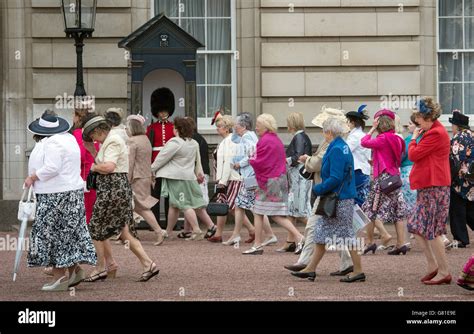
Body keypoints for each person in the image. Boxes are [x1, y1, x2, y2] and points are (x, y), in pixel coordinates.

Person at [82, 114, 160, 282]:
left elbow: (109, 167)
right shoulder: (110, 141)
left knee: (96, 227)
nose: (93, 139)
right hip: (116, 188)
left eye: (93, 135)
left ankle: (100, 268)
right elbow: (106, 161)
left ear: (98, 131)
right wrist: (92, 151)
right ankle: (149, 264)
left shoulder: (113, 140)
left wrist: (94, 167)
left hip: (112, 188)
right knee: (124, 232)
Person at [25, 111, 96, 291]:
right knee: (68, 234)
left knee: (54, 235)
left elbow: (52, 167)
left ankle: (60, 278)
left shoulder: (52, 143)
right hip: (71, 191)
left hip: (55, 194)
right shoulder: (68, 138)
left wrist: (33, 176)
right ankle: (74, 270)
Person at [290, 117, 365, 283]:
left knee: (346, 236)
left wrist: (318, 189)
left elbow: (335, 177)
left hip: (339, 198)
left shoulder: (337, 148)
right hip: (340, 197)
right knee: (322, 234)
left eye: (324, 131)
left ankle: (358, 271)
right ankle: (310, 269)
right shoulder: (339, 146)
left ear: (329, 132)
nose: (323, 134)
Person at [242, 114, 305, 255]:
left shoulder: (265, 141)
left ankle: (300, 237)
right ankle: (258, 244)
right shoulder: (275, 139)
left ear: (266, 126)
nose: (256, 127)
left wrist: (251, 159)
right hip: (277, 180)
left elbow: (259, 162)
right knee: (260, 212)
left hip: (270, 182)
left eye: (258, 124)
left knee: (275, 215)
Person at [407, 97, 452, 285]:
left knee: (433, 231)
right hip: (428, 186)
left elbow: (413, 155)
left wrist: (413, 138)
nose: (416, 121)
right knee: (416, 227)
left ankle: (444, 271)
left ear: (427, 116)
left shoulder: (435, 133)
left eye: (418, 117)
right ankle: (433, 265)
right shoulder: (432, 130)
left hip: (435, 186)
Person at [151, 117, 215, 240]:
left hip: (176, 178)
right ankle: (168, 232)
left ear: (178, 129)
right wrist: (199, 174)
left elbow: (161, 158)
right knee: (174, 205)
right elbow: (198, 162)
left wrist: (151, 169)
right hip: (189, 177)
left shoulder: (175, 142)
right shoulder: (194, 142)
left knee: (184, 204)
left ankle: (196, 230)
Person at [361, 109, 409, 255]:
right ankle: (401, 244)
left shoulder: (382, 139)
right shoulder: (399, 139)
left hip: (383, 179)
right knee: (398, 211)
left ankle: (370, 242)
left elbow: (364, 142)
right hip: (395, 177)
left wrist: (372, 129)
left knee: (369, 209)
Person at [224, 113, 276, 245]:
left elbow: (253, 154)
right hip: (250, 175)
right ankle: (238, 234)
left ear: (243, 126)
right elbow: (234, 139)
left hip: (251, 176)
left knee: (249, 206)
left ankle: (268, 235)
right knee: (243, 205)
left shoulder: (247, 137)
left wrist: (239, 164)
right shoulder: (247, 135)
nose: (234, 126)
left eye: (236, 124)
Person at [126, 114, 167, 246]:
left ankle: (158, 231)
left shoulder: (132, 141)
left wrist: (126, 179)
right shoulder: (145, 139)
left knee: (141, 208)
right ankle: (128, 234)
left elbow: (130, 163)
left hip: (136, 178)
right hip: (145, 176)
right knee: (135, 207)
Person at [207, 115, 245, 243]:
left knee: (233, 207)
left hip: (230, 178)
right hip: (226, 178)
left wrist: (222, 182)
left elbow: (228, 162)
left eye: (220, 127)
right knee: (224, 204)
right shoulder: (226, 141)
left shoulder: (229, 141)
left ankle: (252, 230)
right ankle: (218, 233)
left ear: (227, 128)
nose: (217, 129)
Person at [281, 112, 312, 253]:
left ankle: (320, 235)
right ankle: (290, 241)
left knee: (301, 211)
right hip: (299, 178)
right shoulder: (302, 136)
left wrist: (283, 161)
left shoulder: (298, 137)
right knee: (292, 210)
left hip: (299, 177)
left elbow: (298, 156)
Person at [147, 87, 175, 229]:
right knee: (156, 195)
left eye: (165, 111)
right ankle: (156, 223)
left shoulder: (173, 127)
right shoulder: (151, 128)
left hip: (170, 164)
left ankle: (170, 223)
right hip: (156, 164)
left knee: (169, 196)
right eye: (160, 111)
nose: (163, 114)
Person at [448, 111, 474, 249]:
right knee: (470, 207)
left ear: (457, 126)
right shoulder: (472, 135)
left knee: (457, 208)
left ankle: (460, 238)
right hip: (472, 176)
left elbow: (457, 158)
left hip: (460, 177)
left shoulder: (458, 137)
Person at [72, 104, 99, 225]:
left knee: (85, 212)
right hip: (96, 174)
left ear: (78, 117)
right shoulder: (96, 133)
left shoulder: (78, 132)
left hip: (84, 176)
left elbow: (80, 156)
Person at [345, 105, 371, 206]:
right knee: (361, 201)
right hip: (363, 171)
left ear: (352, 122)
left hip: (357, 171)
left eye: (348, 122)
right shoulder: (361, 134)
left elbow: (345, 151)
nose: (347, 124)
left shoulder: (355, 136)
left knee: (356, 202)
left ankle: (363, 221)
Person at [401, 114, 419, 211]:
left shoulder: (409, 139)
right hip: (420, 173)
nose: (408, 125)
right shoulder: (424, 137)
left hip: (407, 173)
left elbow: (403, 155)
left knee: (409, 206)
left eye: (410, 123)